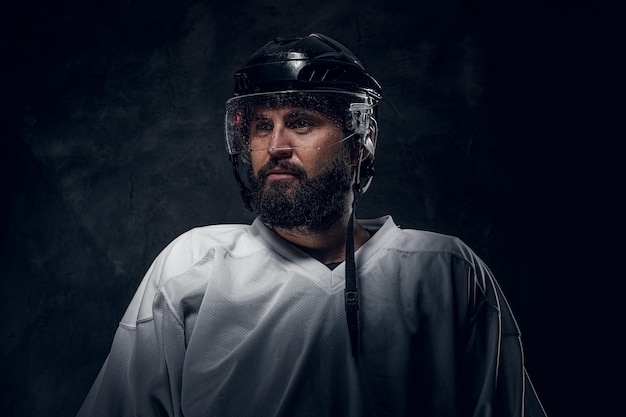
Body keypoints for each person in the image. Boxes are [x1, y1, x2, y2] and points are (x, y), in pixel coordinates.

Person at [77, 33, 547, 417]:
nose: (275, 145)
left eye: (300, 122)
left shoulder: (446, 275)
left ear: (359, 142)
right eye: (262, 126)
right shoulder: (192, 268)